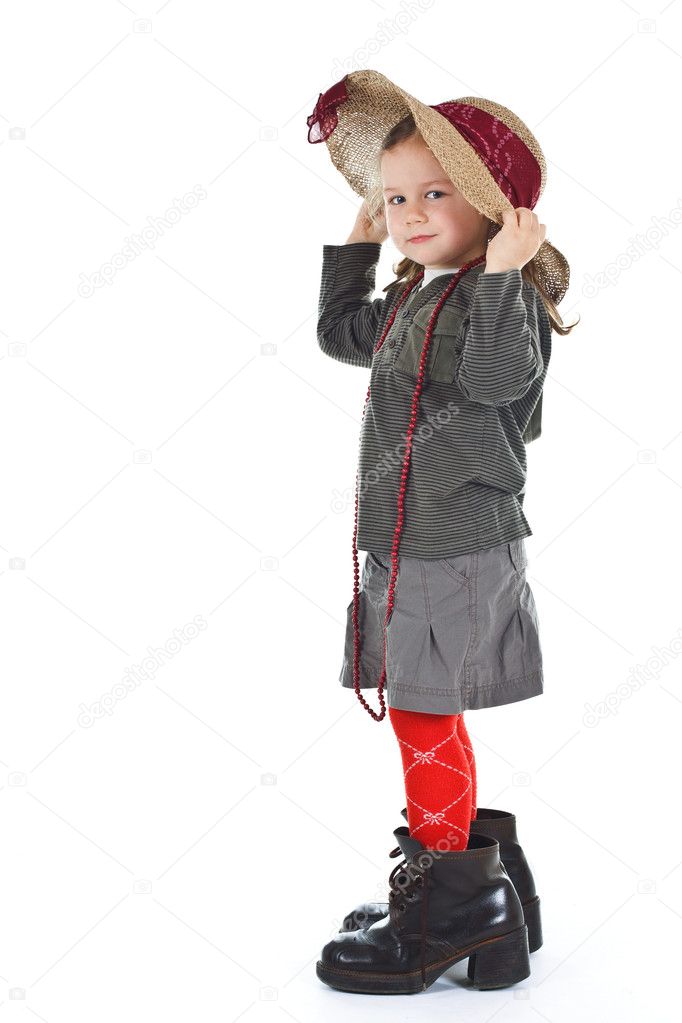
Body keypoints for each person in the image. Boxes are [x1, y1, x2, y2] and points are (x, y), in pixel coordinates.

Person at [306, 70, 578, 996]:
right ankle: (479, 890)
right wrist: (359, 242)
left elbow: (502, 382)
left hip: (454, 551)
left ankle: (455, 902)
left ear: (497, 208)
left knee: (424, 712)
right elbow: (344, 334)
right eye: (395, 198)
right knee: (430, 712)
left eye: (435, 193)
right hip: (412, 547)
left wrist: (504, 273)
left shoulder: (501, 298)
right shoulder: (422, 292)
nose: (411, 213)